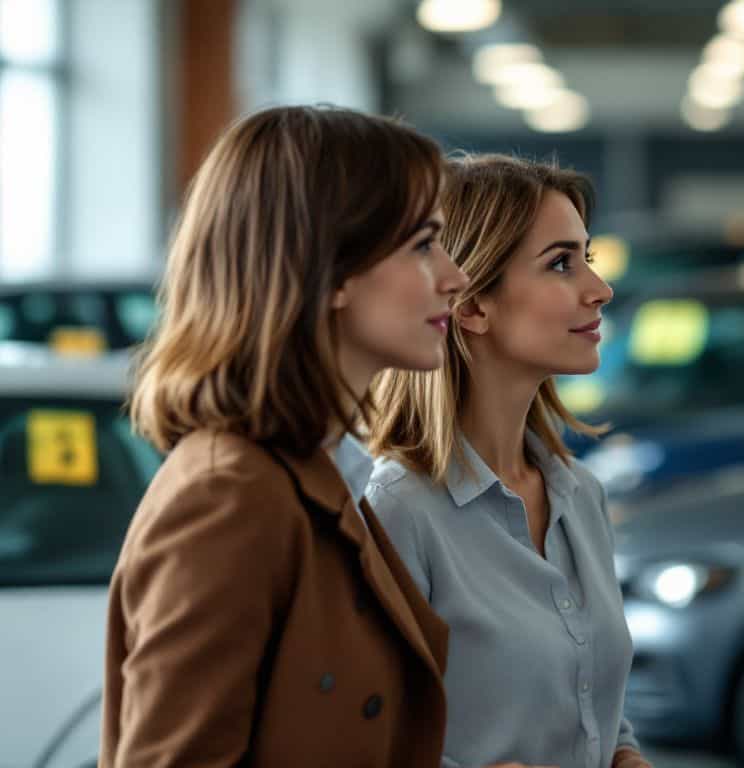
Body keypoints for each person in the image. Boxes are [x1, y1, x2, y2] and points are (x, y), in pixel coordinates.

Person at [102, 105, 468, 767]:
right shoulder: (230, 496)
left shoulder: (317, 474)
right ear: (329, 267)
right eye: (422, 245)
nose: (454, 276)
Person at [364, 153, 652, 768]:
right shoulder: (396, 511)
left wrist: (624, 755)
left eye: (588, 259)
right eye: (560, 264)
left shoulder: (580, 493)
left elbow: (592, 701)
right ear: (469, 305)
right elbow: (363, 740)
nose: (599, 290)